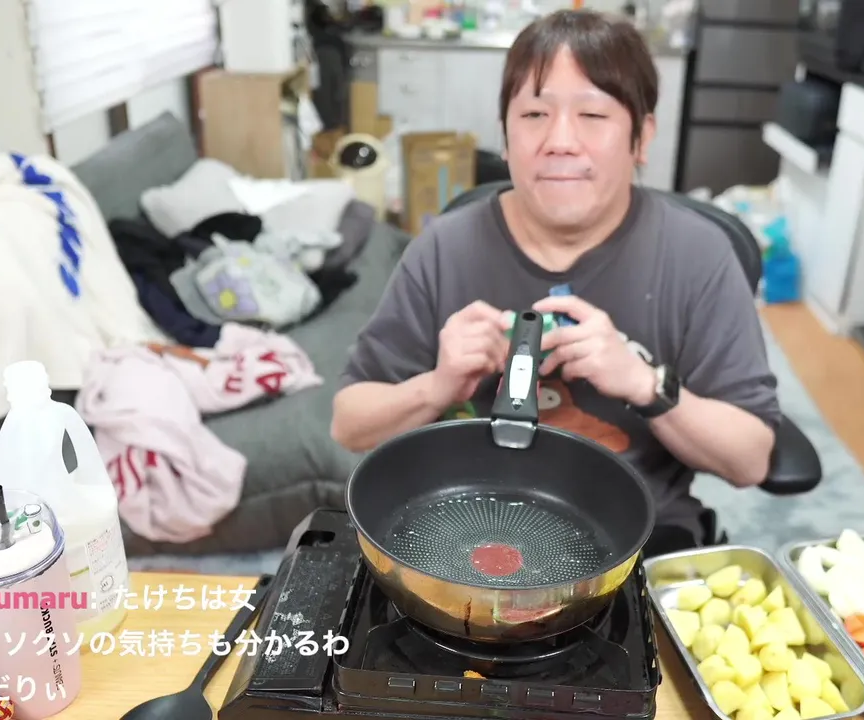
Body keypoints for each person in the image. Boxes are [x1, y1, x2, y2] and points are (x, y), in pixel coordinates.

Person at [331, 9, 779, 556]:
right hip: (464, 521)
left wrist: (645, 385)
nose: (560, 140)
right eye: (534, 114)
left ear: (642, 137)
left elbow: (751, 459)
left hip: (637, 534)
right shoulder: (444, 247)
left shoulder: (699, 255)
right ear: (505, 135)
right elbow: (349, 424)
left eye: (593, 114)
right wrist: (438, 386)